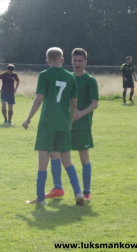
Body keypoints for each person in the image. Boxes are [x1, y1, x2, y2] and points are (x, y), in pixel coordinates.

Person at [22, 47, 84, 206]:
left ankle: (40, 199)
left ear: (48, 61)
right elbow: (75, 104)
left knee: (42, 162)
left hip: (47, 124)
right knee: (67, 161)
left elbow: (38, 100)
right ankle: (78, 193)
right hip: (63, 124)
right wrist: (69, 123)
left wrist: (28, 119)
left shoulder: (44, 75)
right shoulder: (71, 78)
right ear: (63, 60)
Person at [46, 48, 99, 201]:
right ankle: (58, 188)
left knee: (83, 156)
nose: (77, 63)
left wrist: (81, 113)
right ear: (70, 61)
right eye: (74, 60)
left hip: (82, 125)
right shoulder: (67, 77)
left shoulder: (90, 80)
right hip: (64, 124)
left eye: (80, 61)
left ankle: (86, 191)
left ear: (85, 62)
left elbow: (95, 103)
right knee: (54, 152)